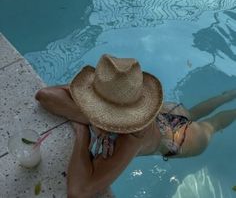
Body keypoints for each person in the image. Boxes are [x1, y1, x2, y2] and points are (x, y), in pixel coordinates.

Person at [35, 54, 236, 198]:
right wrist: (94, 120)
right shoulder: (115, 93)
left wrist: (81, 132)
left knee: (213, 124)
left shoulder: (131, 139)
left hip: (180, 138)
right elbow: (45, 96)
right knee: (191, 113)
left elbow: (79, 192)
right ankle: (227, 96)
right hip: (167, 112)